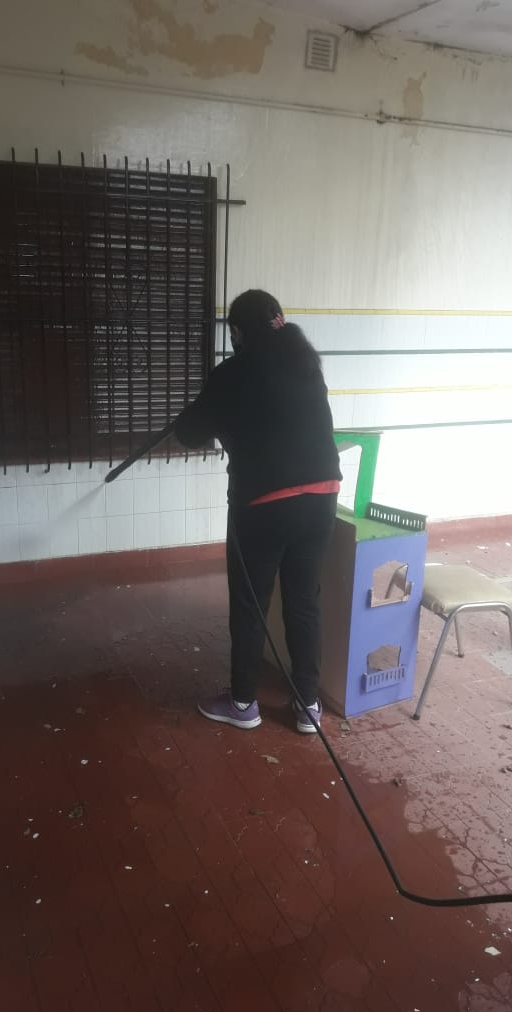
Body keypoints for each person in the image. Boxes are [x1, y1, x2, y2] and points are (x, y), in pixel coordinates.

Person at [174, 289, 341, 734]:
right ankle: (308, 706)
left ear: (237, 332)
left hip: (264, 506)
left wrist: (194, 416)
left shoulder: (234, 372)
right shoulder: (306, 366)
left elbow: (190, 432)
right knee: (304, 602)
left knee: (250, 605)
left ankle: (243, 703)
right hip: (322, 499)